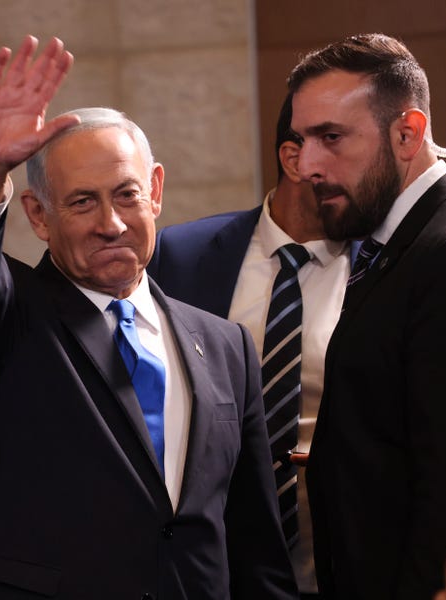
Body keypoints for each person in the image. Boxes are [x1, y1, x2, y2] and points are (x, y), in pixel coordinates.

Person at [0, 35, 297, 599]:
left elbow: (254, 542)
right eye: (83, 201)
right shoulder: (8, 320)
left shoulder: (225, 346)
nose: (111, 223)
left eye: (126, 195)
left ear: (156, 191)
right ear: (39, 216)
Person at [287, 33, 446, 599]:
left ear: (408, 133)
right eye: (301, 140)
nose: (308, 165)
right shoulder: (415, 240)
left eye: (331, 138)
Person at [148, 93, 353, 597]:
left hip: (340, 564)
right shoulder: (181, 255)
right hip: (213, 569)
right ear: (294, 158)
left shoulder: (383, 265)